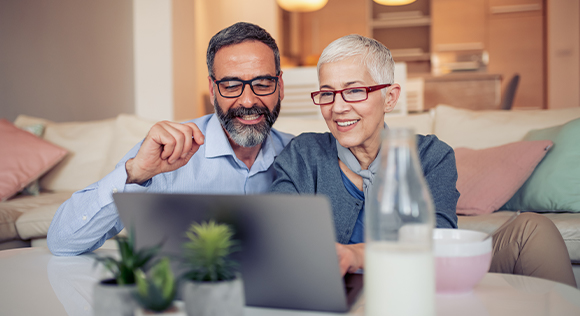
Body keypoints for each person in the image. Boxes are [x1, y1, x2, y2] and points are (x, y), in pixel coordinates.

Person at [270, 34, 577, 287]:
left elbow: (437, 241)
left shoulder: (431, 155)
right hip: (341, 296)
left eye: (354, 91)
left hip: (424, 285)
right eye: (327, 94)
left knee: (534, 229)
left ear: (390, 98)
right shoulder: (303, 153)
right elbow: (277, 235)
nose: (337, 108)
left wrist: (358, 255)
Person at [47, 22, 293, 256]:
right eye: (230, 86)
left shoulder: (300, 155)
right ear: (212, 90)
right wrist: (134, 172)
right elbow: (62, 242)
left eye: (262, 84)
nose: (248, 101)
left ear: (280, 85)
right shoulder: (168, 151)